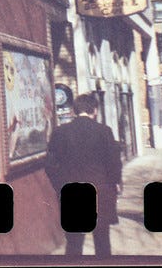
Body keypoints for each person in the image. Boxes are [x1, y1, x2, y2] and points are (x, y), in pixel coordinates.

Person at [45, 93, 122, 258]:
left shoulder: (60, 132)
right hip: (99, 193)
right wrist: (116, 183)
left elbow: (50, 165)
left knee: (74, 242)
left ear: (74, 111)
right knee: (102, 241)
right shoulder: (104, 131)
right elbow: (114, 162)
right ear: (94, 110)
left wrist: (61, 186)